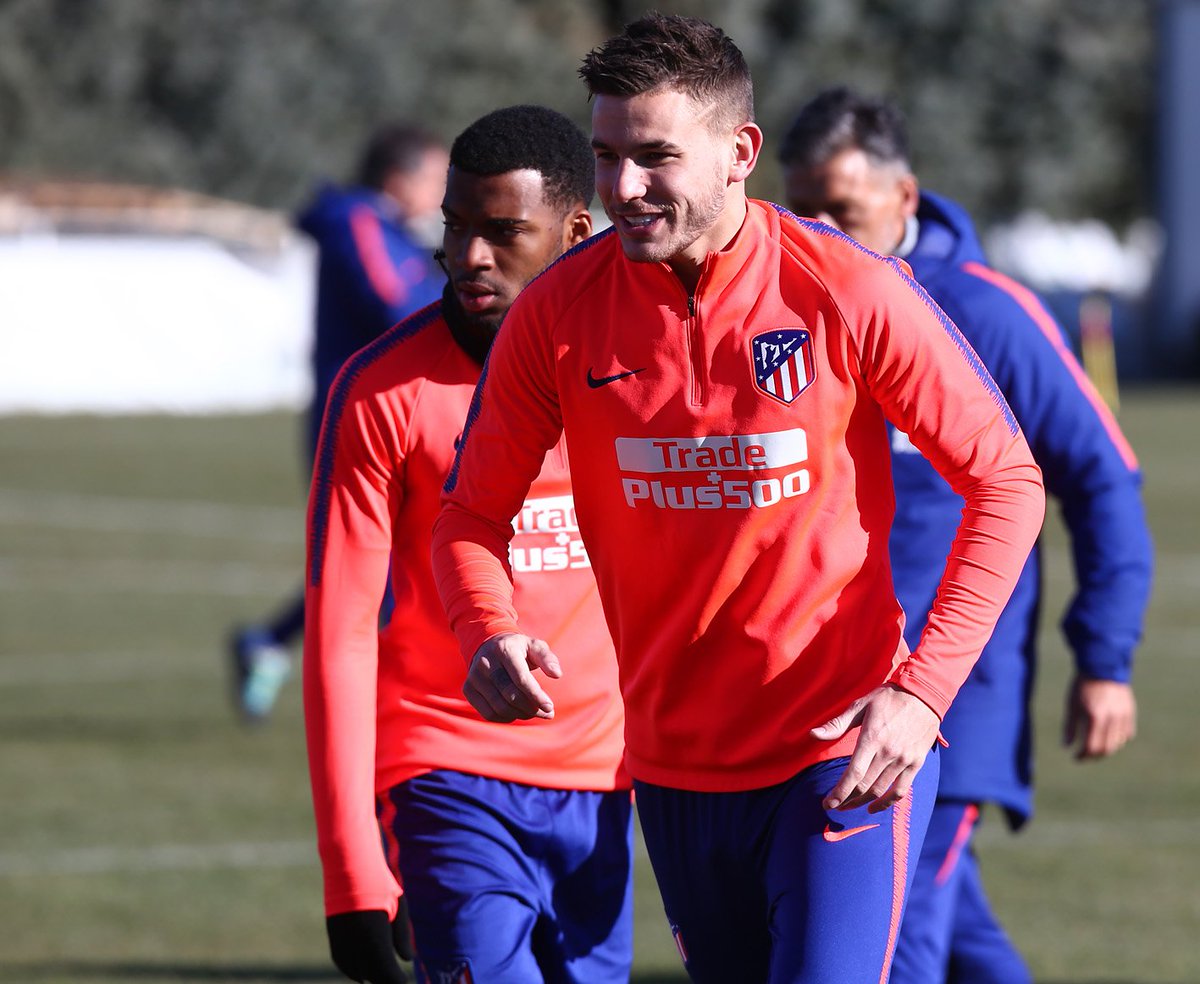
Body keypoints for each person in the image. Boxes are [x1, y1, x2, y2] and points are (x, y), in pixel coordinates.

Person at [430, 15, 1046, 984]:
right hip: (674, 776)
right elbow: (469, 515)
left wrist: (922, 696)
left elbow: (1008, 481)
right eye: (606, 157)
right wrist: (484, 629)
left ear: (739, 153)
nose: (624, 189)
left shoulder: (847, 290)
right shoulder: (556, 314)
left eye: (656, 157)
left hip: (841, 759)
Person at [778, 87, 1153, 983]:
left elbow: (1104, 475)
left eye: (844, 210)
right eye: (803, 211)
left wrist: (1105, 658)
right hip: (817, 690)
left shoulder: (988, 314)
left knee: (891, 945)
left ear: (906, 197)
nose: (822, 232)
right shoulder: (781, 313)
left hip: (947, 695)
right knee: (949, 934)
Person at [304, 105, 633, 984]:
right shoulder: (382, 393)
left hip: (611, 788)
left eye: (502, 232)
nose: (469, 257)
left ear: (572, 231)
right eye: (454, 228)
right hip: (448, 775)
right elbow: (339, 634)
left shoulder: (641, 372)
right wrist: (351, 873)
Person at [231, 121, 448, 722]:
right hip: (351, 418)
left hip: (399, 414)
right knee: (368, 566)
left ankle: (270, 643)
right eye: (434, 177)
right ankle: (383, 707)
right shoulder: (358, 221)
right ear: (399, 178)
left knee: (387, 564)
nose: (440, 191)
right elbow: (396, 302)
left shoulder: (395, 230)